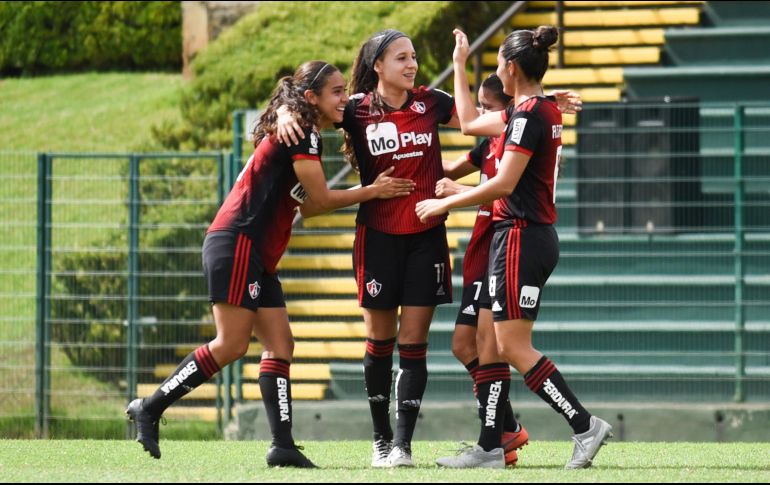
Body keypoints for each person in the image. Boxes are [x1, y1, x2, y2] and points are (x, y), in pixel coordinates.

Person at [125, 60, 415, 468]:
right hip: (239, 242)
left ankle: (282, 445)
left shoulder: (299, 125)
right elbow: (322, 201)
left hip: (257, 254)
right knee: (231, 344)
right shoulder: (302, 131)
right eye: (335, 91)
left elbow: (310, 209)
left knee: (281, 345)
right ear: (310, 97)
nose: (344, 99)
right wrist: (374, 190)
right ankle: (150, 407)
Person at [417, 27, 613, 470]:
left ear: (510, 67)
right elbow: (468, 123)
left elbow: (503, 183)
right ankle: (491, 446)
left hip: (520, 236)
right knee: (491, 341)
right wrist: (460, 63)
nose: (497, 71)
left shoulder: (526, 117)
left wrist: (445, 200)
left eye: (498, 64)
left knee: (511, 346)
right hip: (525, 236)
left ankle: (583, 426)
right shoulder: (532, 110)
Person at [437, 73, 528, 467]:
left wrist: (457, 194)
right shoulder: (486, 146)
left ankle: (493, 440)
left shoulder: (518, 144)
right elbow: (447, 170)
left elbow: (501, 196)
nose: (481, 115)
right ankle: (507, 426)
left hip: (500, 249)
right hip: (478, 251)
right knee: (463, 345)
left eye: (488, 108)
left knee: (491, 349)